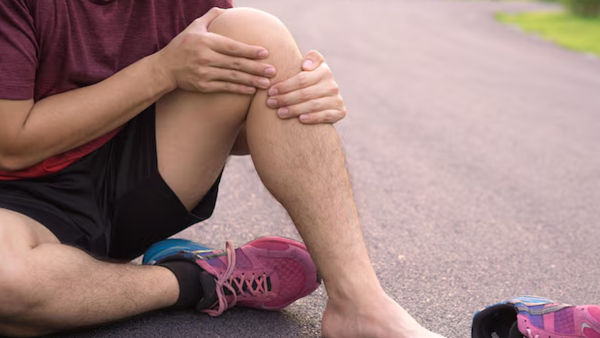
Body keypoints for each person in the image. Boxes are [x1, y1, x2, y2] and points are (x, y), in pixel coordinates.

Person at [0, 1, 442, 337]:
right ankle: (199, 278)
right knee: (8, 285)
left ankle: (360, 304)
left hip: (134, 176)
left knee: (256, 35)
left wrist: (299, 95)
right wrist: (163, 71)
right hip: (19, 203)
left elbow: (237, 127)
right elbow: (12, 146)